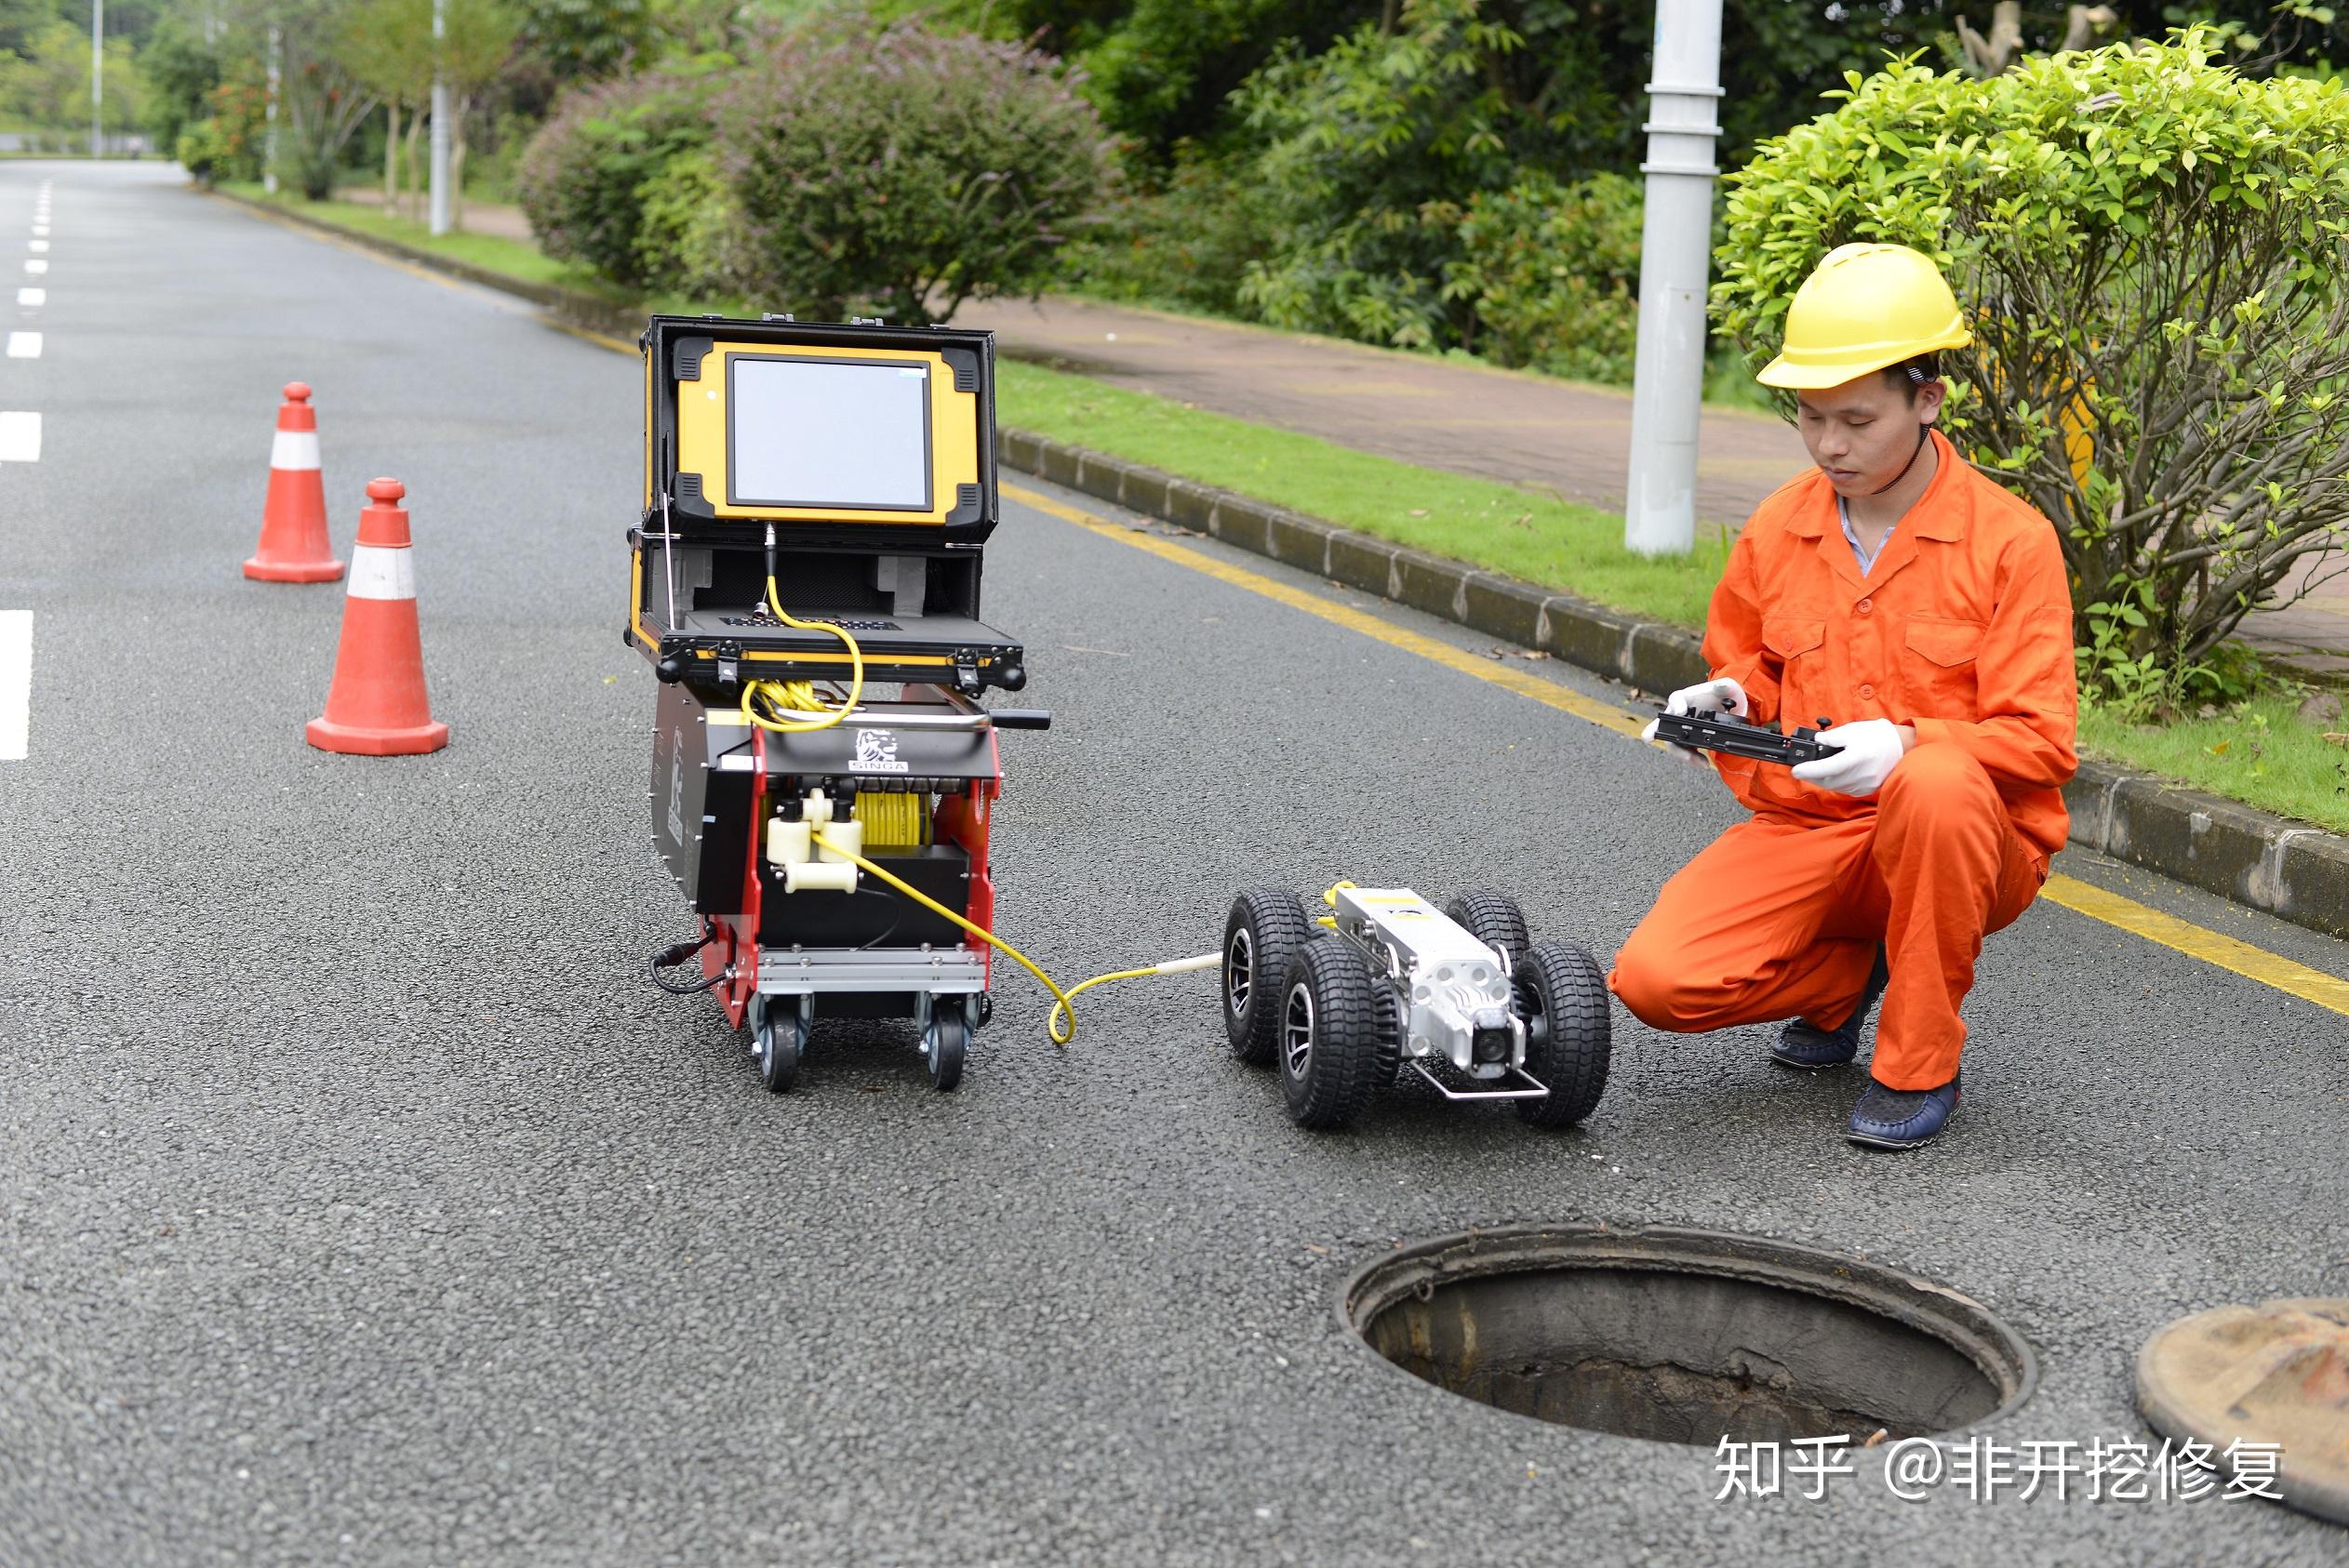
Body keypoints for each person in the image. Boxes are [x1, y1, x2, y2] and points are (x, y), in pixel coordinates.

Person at [1608, 243, 2078, 1150]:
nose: (1830, 444)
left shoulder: (2009, 544)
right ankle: (1841, 976)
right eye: (1810, 418)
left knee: (1935, 784)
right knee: (1654, 983)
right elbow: (1752, 665)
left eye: (1856, 420)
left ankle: (1916, 1059)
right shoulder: (1780, 524)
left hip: (1964, 845)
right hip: (1811, 828)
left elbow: (2040, 742)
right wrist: (1726, 699)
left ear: (1926, 400)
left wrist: (1906, 743)